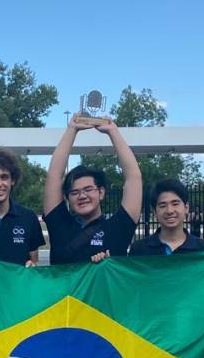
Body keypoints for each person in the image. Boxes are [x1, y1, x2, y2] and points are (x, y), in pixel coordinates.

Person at [43, 113, 142, 264]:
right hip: (64, 289)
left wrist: (113, 132)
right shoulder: (59, 224)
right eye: (74, 192)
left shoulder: (118, 228)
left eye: (88, 189)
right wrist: (72, 130)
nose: (82, 196)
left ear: (101, 192)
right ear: (67, 197)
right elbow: (54, 176)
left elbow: (133, 177)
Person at [129, 178, 204, 268]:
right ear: (154, 212)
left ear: (186, 208)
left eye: (175, 204)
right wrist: (110, 269)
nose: (169, 211)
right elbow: (130, 286)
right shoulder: (139, 250)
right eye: (163, 205)